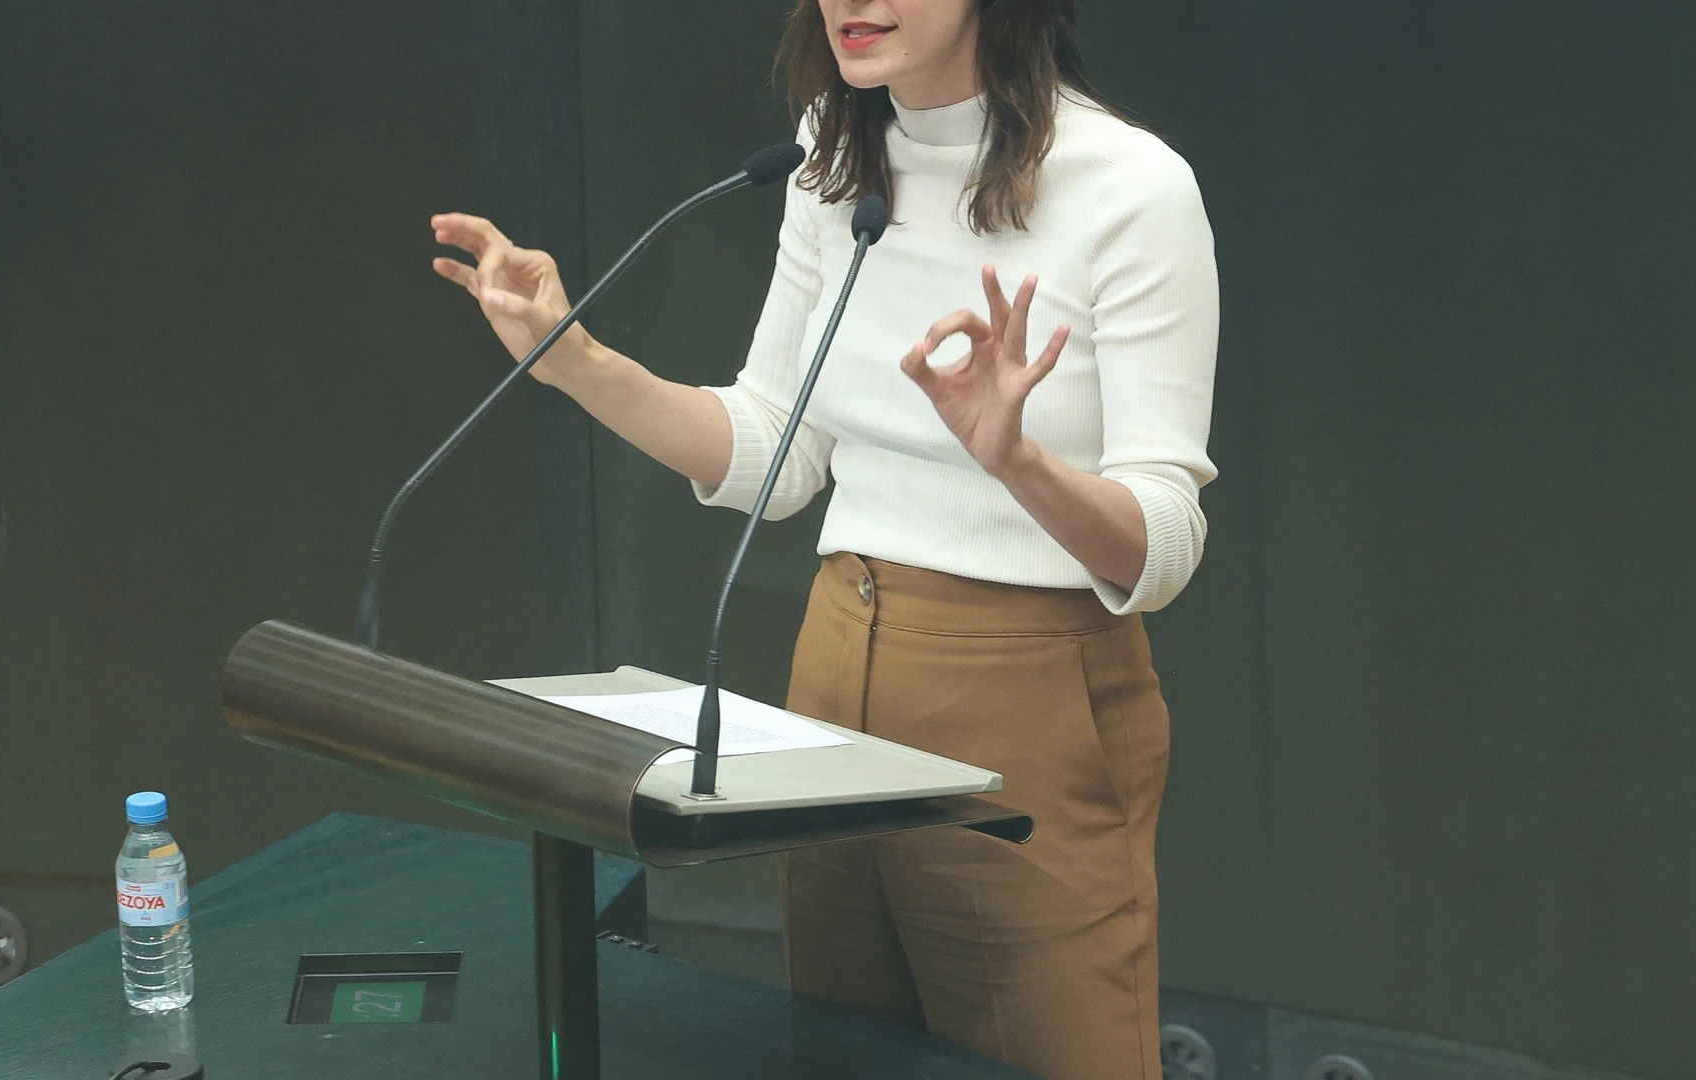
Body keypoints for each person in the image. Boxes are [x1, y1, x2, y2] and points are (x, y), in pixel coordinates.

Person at [430, 2, 1217, 1076]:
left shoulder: (1131, 186)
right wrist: (574, 360)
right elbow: (773, 450)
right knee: (845, 1053)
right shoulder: (830, 154)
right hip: (835, 673)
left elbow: (1164, 547)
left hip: (1032, 701)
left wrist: (1016, 461)